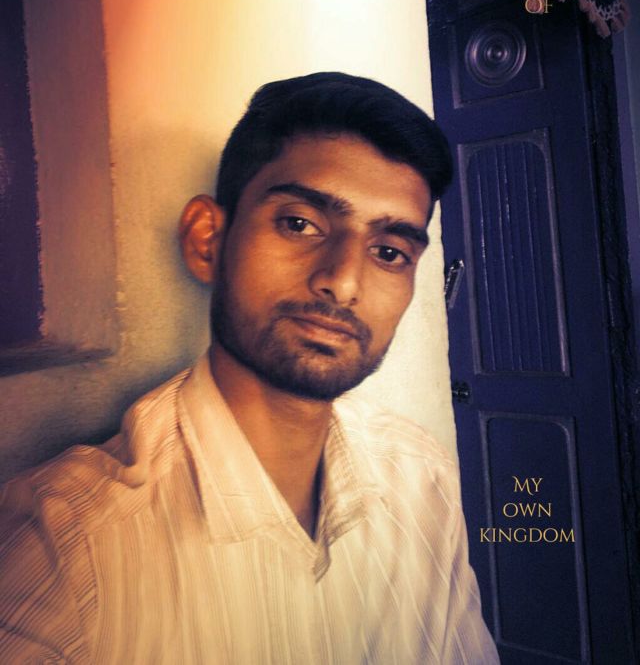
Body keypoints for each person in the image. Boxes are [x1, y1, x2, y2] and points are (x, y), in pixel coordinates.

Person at [0, 72, 499, 663]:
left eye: (389, 252)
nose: (343, 281)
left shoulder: (422, 479)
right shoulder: (64, 552)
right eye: (300, 223)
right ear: (208, 241)